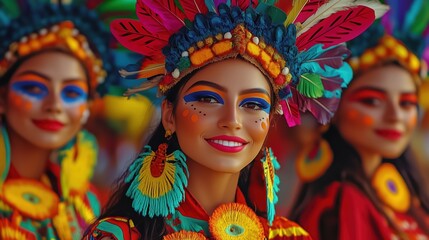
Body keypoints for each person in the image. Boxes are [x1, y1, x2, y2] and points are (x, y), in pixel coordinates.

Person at [84, 1, 386, 239]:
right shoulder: (119, 235)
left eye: (253, 104)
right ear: (169, 115)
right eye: (208, 99)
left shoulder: (288, 237)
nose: (232, 120)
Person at [290, 1, 429, 239]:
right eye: (372, 101)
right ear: (332, 108)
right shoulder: (341, 202)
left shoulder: (409, 198)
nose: (395, 116)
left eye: (406, 103)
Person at [0, 1, 114, 239]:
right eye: (33, 87)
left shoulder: (89, 205)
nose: (55, 105)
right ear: (2, 97)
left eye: (72, 93)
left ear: (87, 108)